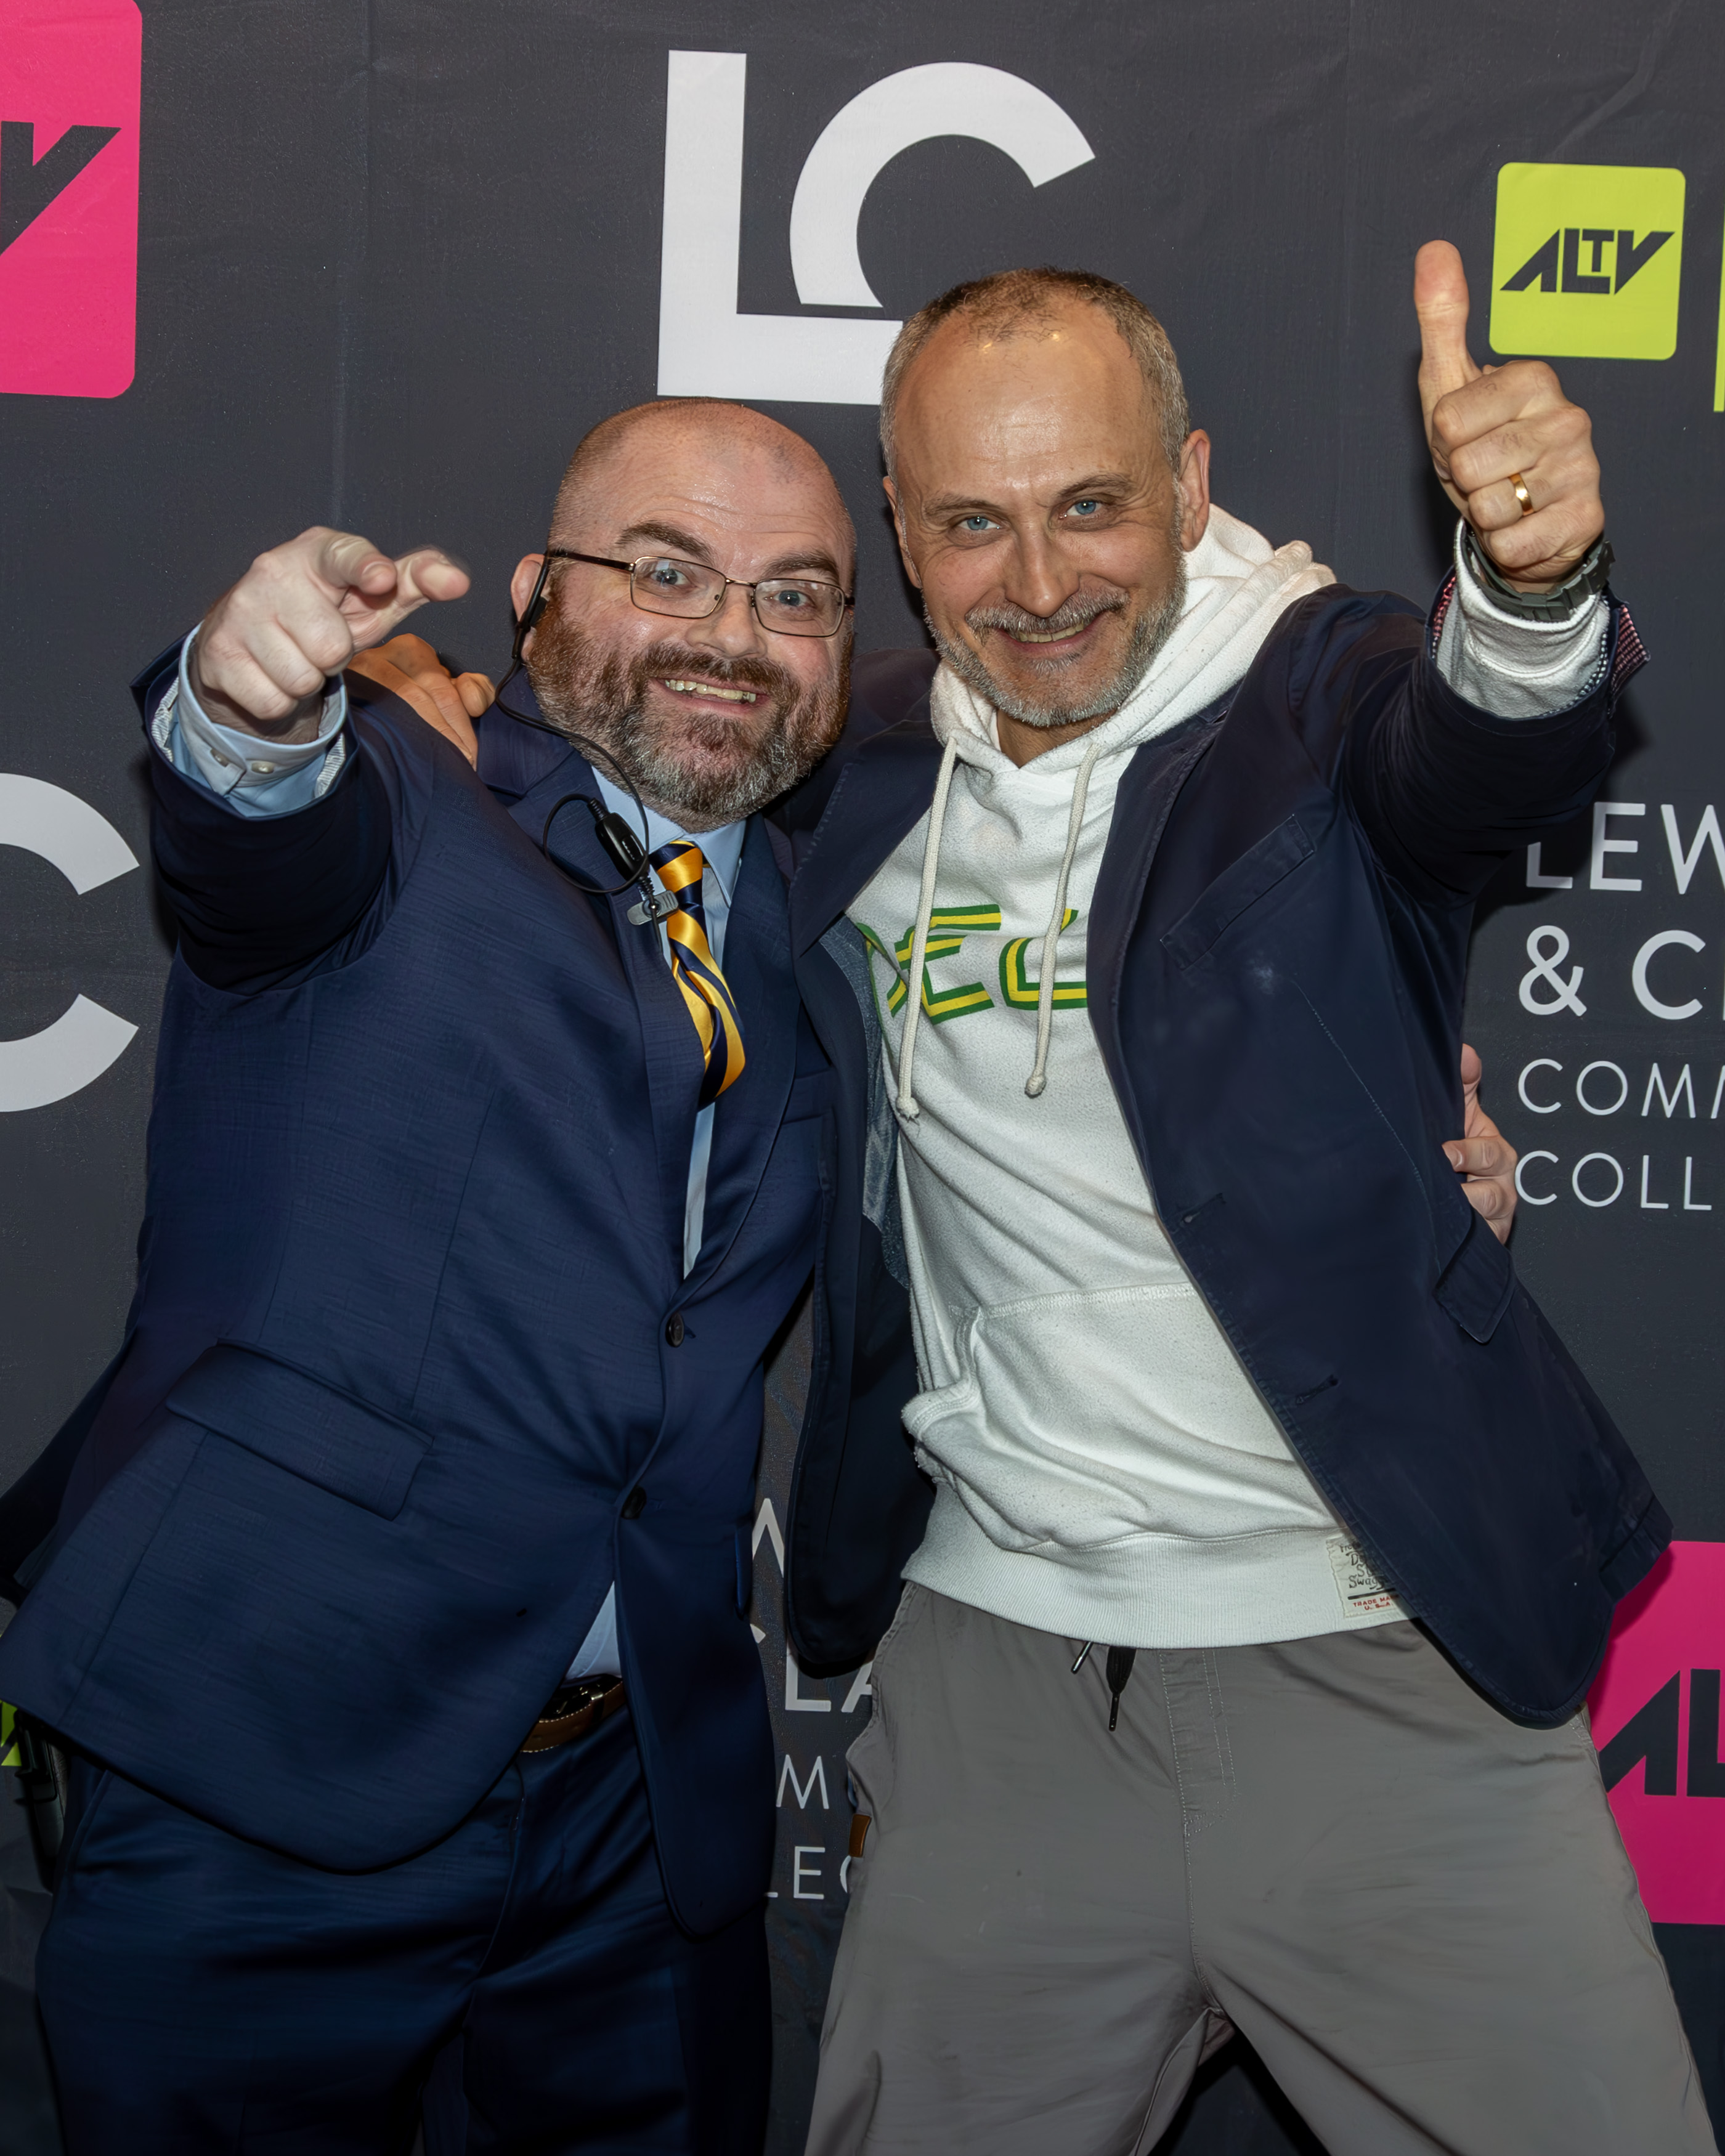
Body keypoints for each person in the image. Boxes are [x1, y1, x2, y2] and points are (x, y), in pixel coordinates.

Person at [764, 247, 1710, 2154]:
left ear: (1192, 485)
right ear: (900, 527)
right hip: (1001, 1686)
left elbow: (1471, 747)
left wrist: (1529, 589)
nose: (1037, 586)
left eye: (1093, 506)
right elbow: (608, 786)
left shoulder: (1316, 694)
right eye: (973, 524)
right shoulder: (850, 771)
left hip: (1375, 1654)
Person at [0, 399, 923, 2154]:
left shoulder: (811, 912)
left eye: (796, 596)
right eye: (668, 571)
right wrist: (249, 692)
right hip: (257, 1773)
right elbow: (254, 823)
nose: (732, 632)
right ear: (532, 597)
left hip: (638, 1827)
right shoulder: (411, 783)